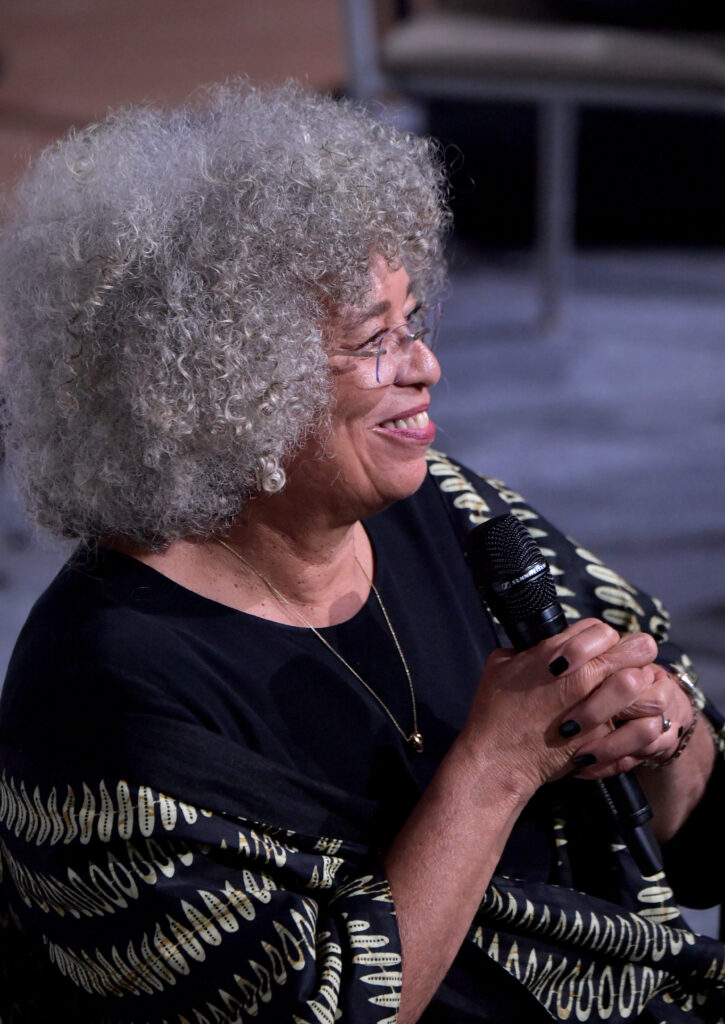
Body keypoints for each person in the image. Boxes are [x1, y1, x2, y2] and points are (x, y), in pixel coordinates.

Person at [0, 80, 723, 1024]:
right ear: (224, 386)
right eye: (373, 341)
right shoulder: (102, 695)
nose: (425, 366)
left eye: (412, 322)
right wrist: (496, 767)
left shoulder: (454, 515)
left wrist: (662, 731)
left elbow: (706, 844)